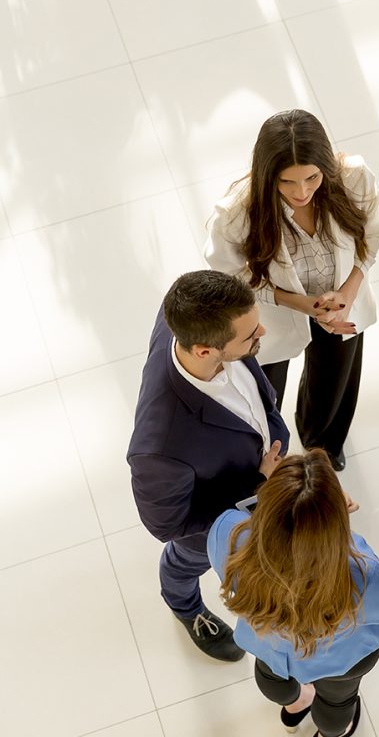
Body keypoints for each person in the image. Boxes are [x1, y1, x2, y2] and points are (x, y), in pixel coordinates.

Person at [204, 109, 379, 472]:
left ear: (326, 168)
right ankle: (270, 456)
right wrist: (298, 302)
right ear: (266, 174)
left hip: (341, 305)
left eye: (312, 178)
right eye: (286, 182)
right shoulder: (235, 213)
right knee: (264, 394)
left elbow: (373, 232)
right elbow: (233, 276)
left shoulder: (353, 177)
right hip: (274, 315)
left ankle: (323, 444)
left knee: (334, 384)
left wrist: (348, 292)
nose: (301, 192)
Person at [127, 270, 289, 662]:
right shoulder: (160, 449)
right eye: (250, 336)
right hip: (214, 529)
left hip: (258, 471)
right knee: (184, 563)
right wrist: (256, 484)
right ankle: (185, 607)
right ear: (203, 351)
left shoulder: (183, 318)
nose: (262, 333)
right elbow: (167, 525)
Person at [208, 450, 379, 737]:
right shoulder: (359, 572)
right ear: (334, 522)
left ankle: (295, 703)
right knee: (337, 703)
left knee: (270, 676)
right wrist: (342, 539)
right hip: (340, 659)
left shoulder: (227, 532)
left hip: (267, 642)